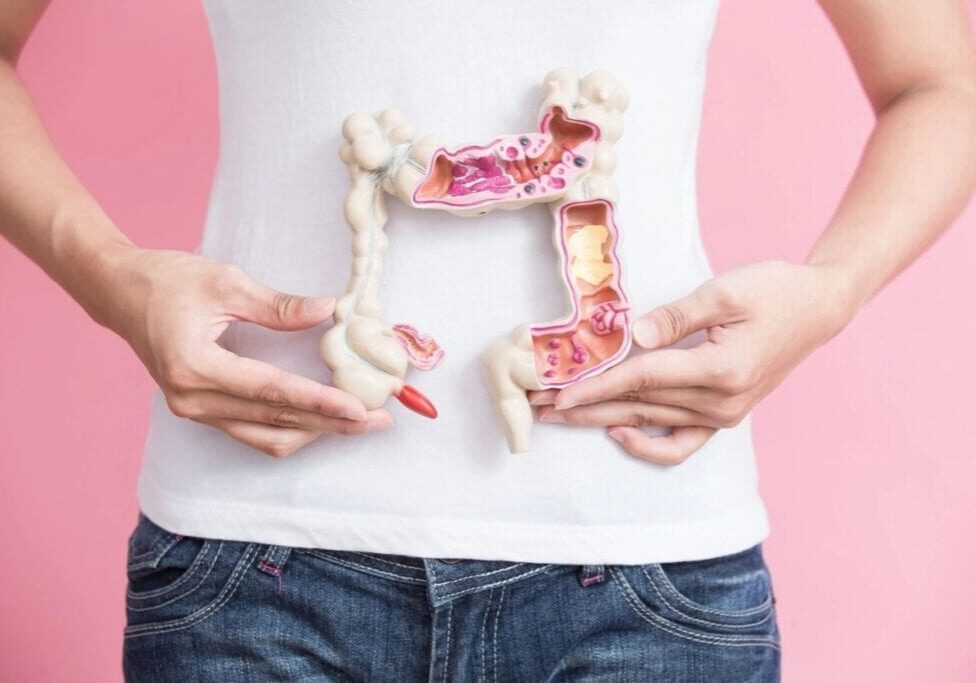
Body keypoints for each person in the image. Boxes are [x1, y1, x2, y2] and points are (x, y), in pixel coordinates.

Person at [2, 1, 974, 681]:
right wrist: (113, 281)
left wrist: (830, 292)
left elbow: (941, 82)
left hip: (649, 574)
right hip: (260, 571)